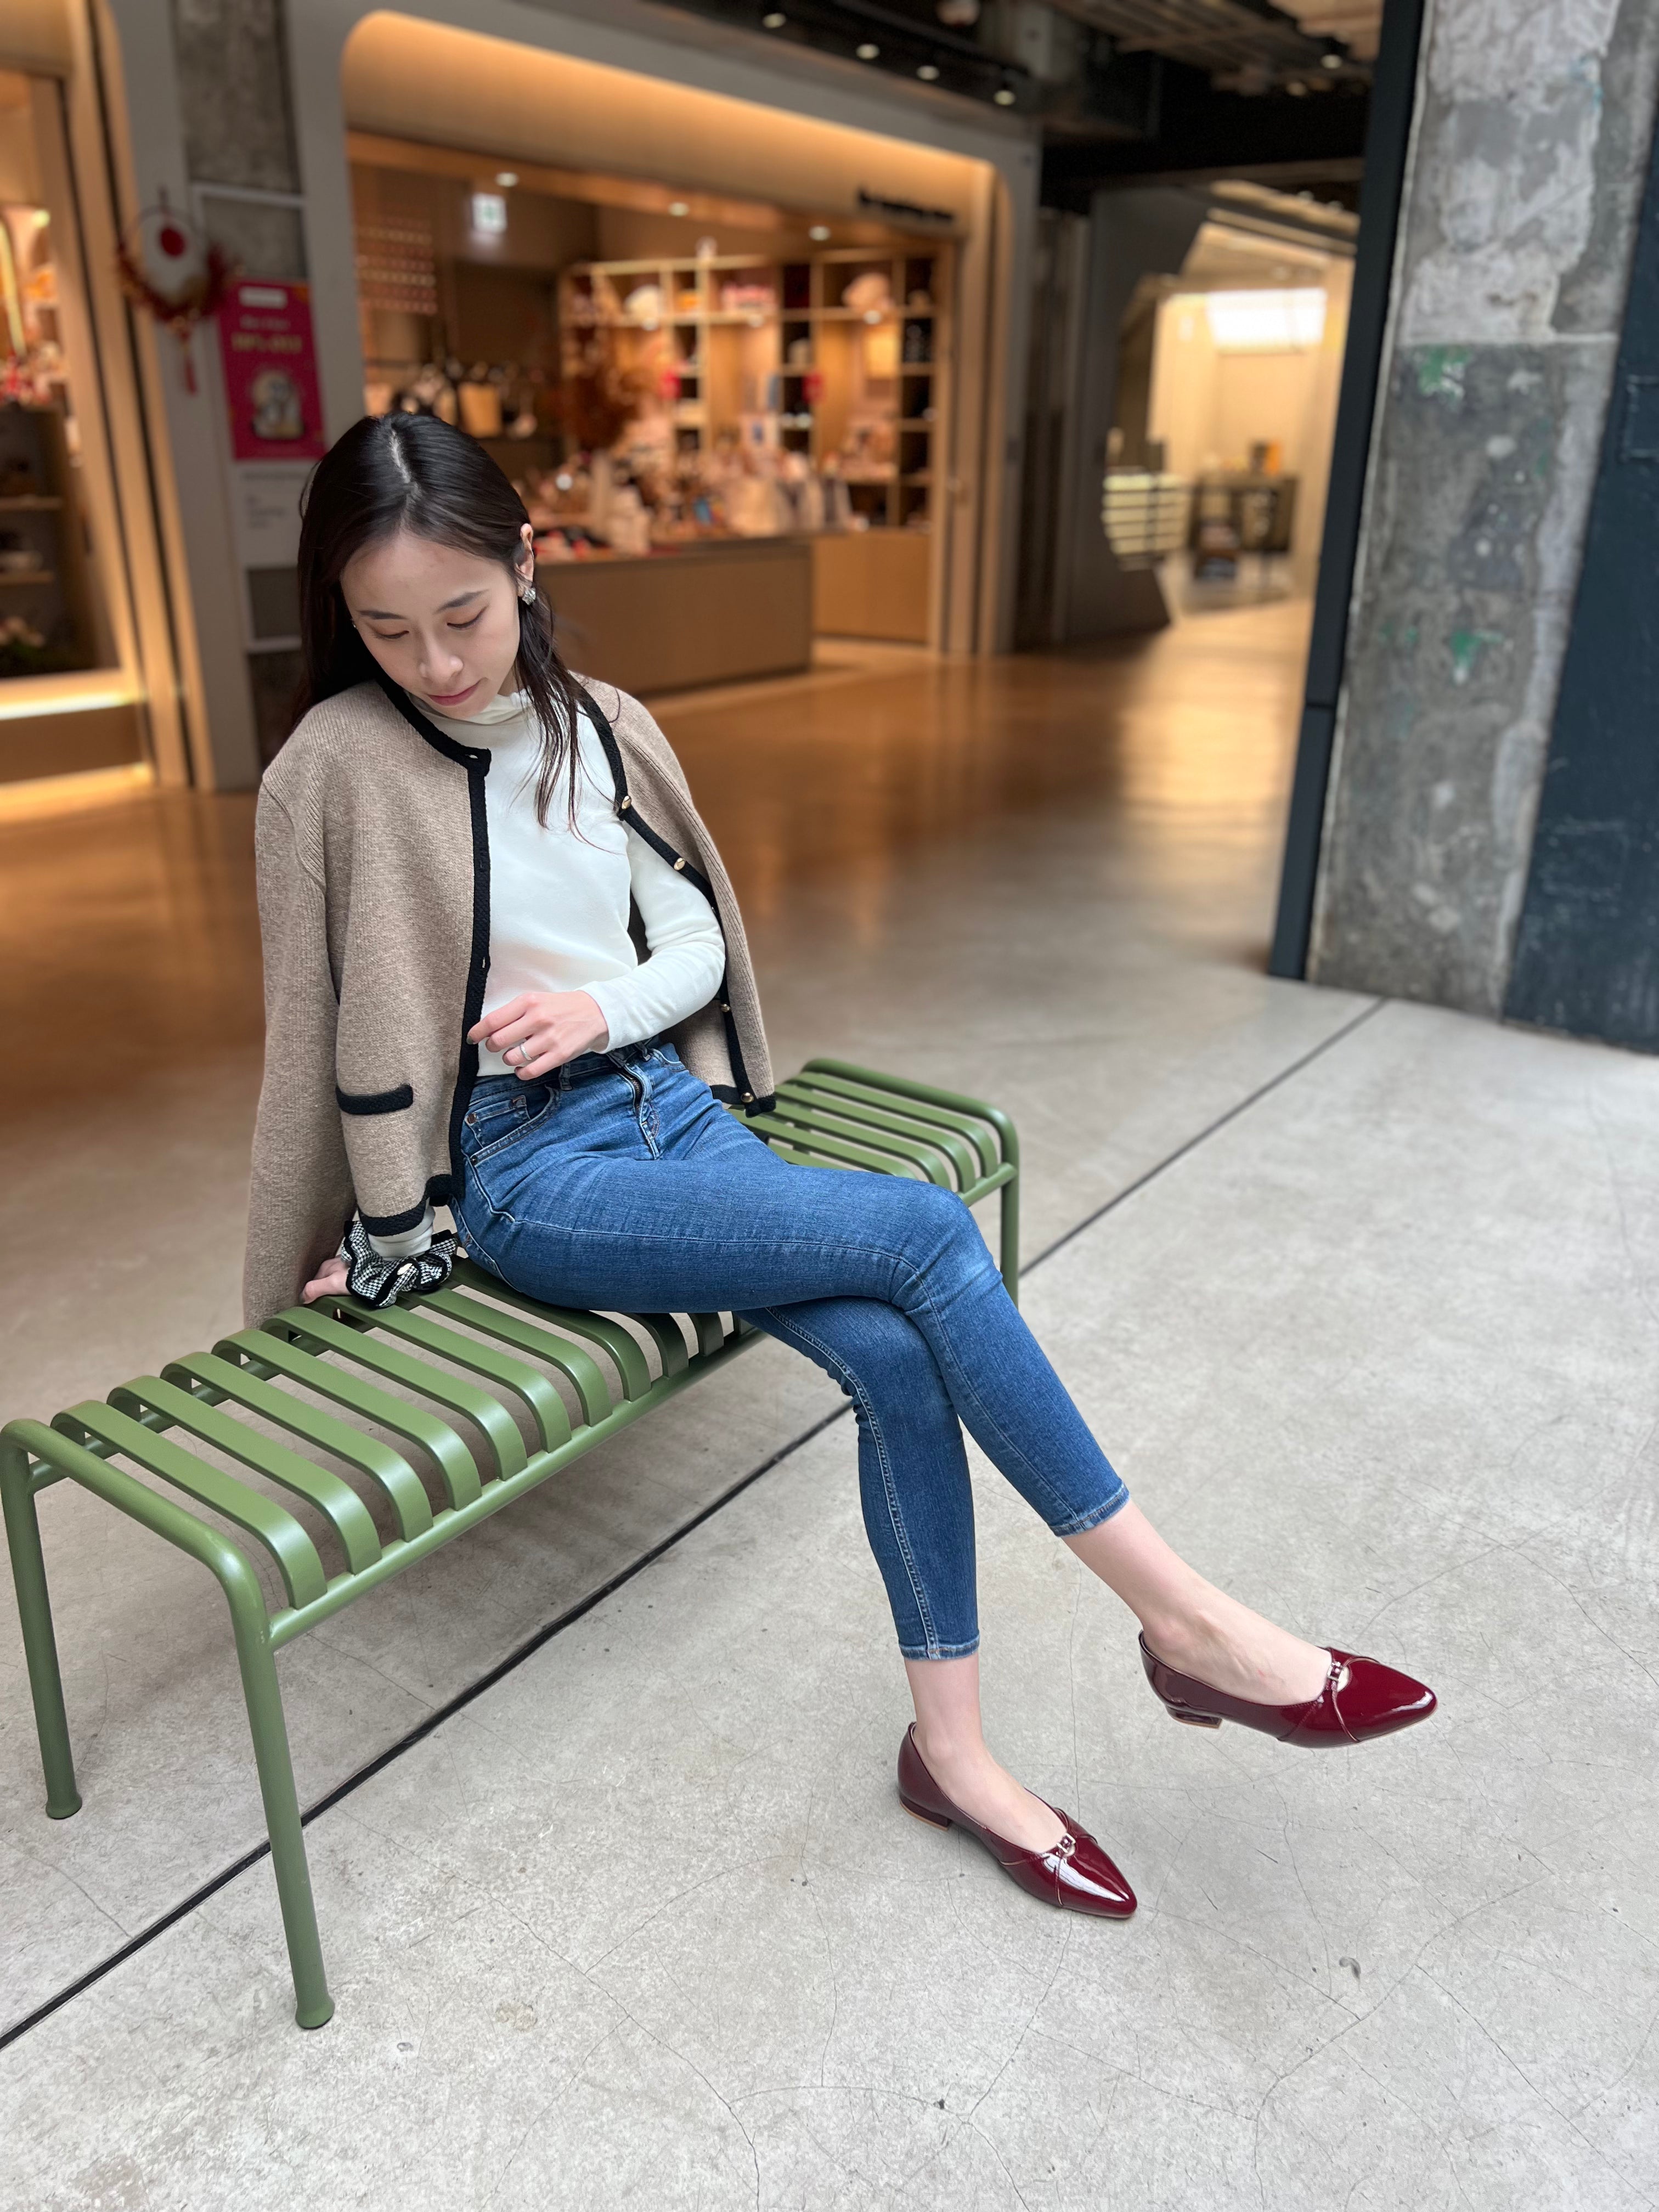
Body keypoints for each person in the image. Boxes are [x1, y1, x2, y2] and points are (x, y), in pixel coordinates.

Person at [246, 414, 1435, 1925]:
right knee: (930, 1236)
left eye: (465, 615)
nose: (438, 662)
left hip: (668, 1118)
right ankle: (1190, 1622)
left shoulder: (598, 725)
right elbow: (314, 1029)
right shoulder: (333, 768)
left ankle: (953, 1756)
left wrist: (595, 1009)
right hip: (529, 1173)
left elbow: (691, 945)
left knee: (893, 1351)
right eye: (387, 628)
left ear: (527, 563)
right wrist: (386, 1216)